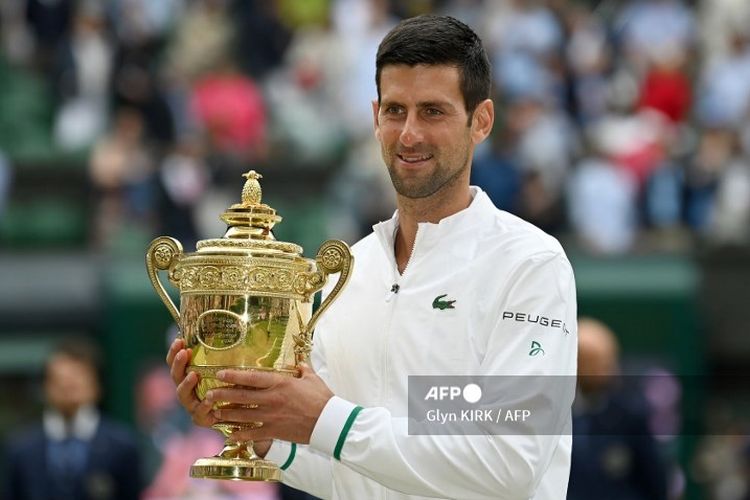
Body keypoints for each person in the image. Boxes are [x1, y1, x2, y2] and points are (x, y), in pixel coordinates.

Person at [167, 14, 577, 499]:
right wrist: (260, 438)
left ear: (481, 121)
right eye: (395, 110)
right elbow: (352, 471)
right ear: (374, 116)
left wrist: (325, 420)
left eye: (433, 112)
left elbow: (510, 463)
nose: (409, 134)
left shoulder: (530, 263)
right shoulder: (350, 272)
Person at [4, 338, 142, 500]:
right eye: (59, 379)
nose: (67, 386)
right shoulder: (21, 449)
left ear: (96, 385)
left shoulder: (122, 446)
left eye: (77, 378)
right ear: (45, 386)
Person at [568, 318, 667, 500]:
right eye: (598, 364)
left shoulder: (630, 415)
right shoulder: (557, 413)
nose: (610, 370)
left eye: (610, 361)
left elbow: (655, 481)